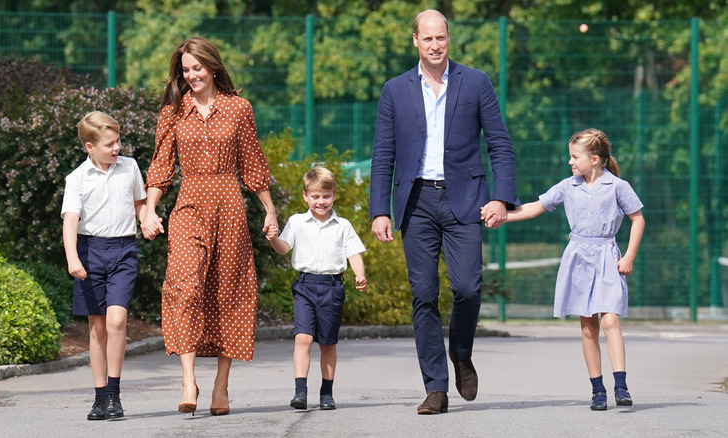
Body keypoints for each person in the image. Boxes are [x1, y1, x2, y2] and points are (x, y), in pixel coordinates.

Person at [369, 9, 519, 415]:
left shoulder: (476, 82)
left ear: (449, 39)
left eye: (442, 38)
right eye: (428, 38)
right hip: (416, 202)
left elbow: (500, 145)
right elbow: (383, 154)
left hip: (466, 199)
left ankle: (462, 354)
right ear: (415, 41)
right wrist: (379, 211)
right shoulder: (395, 90)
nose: (435, 45)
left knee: (468, 288)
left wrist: (501, 199)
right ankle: (435, 387)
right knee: (423, 296)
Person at [141, 36, 278, 416]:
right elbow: (161, 166)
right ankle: (188, 380)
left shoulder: (239, 108)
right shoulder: (173, 112)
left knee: (226, 291)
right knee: (183, 285)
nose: (192, 75)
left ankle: (221, 387)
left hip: (230, 205)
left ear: (213, 67)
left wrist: (269, 210)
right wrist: (150, 210)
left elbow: (252, 163)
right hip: (189, 205)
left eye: (197, 68)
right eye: (185, 70)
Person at [486, 128, 645, 411]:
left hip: (608, 257)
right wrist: (503, 216)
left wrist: (629, 255)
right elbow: (535, 207)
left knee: (610, 321)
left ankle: (621, 385)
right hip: (578, 259)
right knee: (588, 327)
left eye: (575, 157)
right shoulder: (567, 186)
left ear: (594, 159)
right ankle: (598, 390)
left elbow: (638, 219)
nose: (570, 162)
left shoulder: (618, 187)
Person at [61, 111, 147, 420]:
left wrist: (147, 219)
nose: (117, 148)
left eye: (118, 141)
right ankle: (99, 398)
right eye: (110, 144)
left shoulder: (130, 167)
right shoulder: (78, 179)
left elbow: (140, 202)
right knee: (97, 328)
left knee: (116, 321)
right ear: (89, 146)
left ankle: (114, 393)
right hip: (90, 252)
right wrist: (73, 257)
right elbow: (70, 221)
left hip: (123, 250)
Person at [268, 167, 367, 411]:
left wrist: (360, 274)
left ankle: (326, 393)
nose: (321, 201)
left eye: (325, 196)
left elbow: (353, 252)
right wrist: (272, 238)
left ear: (334, 195)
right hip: (305, 286)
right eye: (315, 196)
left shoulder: (342, 225)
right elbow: (283, 247)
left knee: (327, 343)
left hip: (332, 287)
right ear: (305, 196)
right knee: (303, 337)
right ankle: (300, 391)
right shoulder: (297, 222)